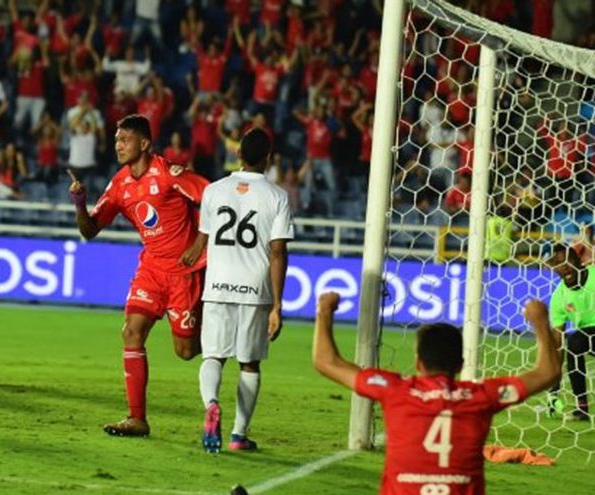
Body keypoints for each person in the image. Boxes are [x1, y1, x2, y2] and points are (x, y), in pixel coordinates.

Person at [313, 292, 560, 494]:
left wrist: (325, 311)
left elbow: (326, 362)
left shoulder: (396, 390)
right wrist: (540, 323)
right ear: (460, 365)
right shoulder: (482, 396)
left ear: (419, 363)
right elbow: (548, 373)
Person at [69, 114, 209, 437]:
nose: (118, 146)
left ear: (144, 143)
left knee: (186, 352)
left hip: (184, 272)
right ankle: (137, 418)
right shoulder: (120, 184)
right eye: (117, 140)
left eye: (124, 140)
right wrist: (80, 204)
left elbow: (213, 198)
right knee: (131, 332)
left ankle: (222, 341)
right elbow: (89, 230)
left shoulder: (169, 173)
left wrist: (201, 241)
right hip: (151, 270)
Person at [180, 128, 293, 453]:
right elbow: (277, 252)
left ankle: (211, 403)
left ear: (238, 154)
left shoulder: (214, 190)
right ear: (268, 159)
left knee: (214, 355)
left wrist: (191, 252)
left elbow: (203, 238)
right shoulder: (277, 196)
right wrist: (277, 306)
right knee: (249, 362)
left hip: (217, 284)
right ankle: (238, 436)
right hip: (254, 289)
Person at [546, 244, 595, 420]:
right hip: (589, 337)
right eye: (558, 263)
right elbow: (558, 344)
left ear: (579, 262)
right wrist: (554, 389)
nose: (564, 266)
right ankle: (582, 409)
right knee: (574, 344)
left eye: (568, 260)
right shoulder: (559, 298)